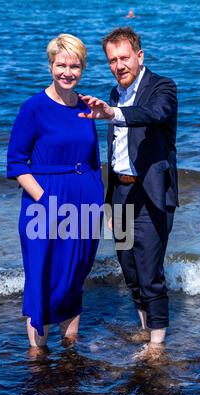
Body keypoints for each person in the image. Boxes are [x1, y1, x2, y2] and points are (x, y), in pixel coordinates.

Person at [79, 27, 178, 359]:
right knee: (130, 268)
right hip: (120, 195)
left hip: (150, 196)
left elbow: (154, 114)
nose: (118, 65)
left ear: (139, 56)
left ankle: (158, 346)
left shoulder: (162, 87)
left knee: (150, 272)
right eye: (112, 60)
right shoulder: (114, 93)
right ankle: (145, 329)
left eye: (124, 58)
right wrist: (108, 203)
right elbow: (115, 154)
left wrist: (113, 114)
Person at [7, 34, 104, 349]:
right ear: (51, 65)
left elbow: (94, 160)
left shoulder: (87, 106)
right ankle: (37, 357)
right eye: (61, 64)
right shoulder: (33, 108)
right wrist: (46, 200)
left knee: (75, 273)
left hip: (85, 201)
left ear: (82, 68)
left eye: (74, 66)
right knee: (41, 276)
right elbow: (17, 163)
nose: (67, 72)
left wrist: (102, 204)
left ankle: (70, 348)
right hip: (45, 201)